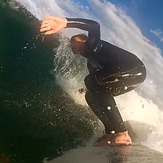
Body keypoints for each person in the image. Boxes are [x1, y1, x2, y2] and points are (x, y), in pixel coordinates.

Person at [40, 16, 146, 146]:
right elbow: (97, 84)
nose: (70, 45)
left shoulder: (93, 45)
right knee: (90, 95)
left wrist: (66, 23)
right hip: (129, 76)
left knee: (91, 81)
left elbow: (94, 25)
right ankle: (110, 131)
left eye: (72, 41)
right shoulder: (91, 62)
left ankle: (122, 132)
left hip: (134, 70)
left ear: (81, 40)